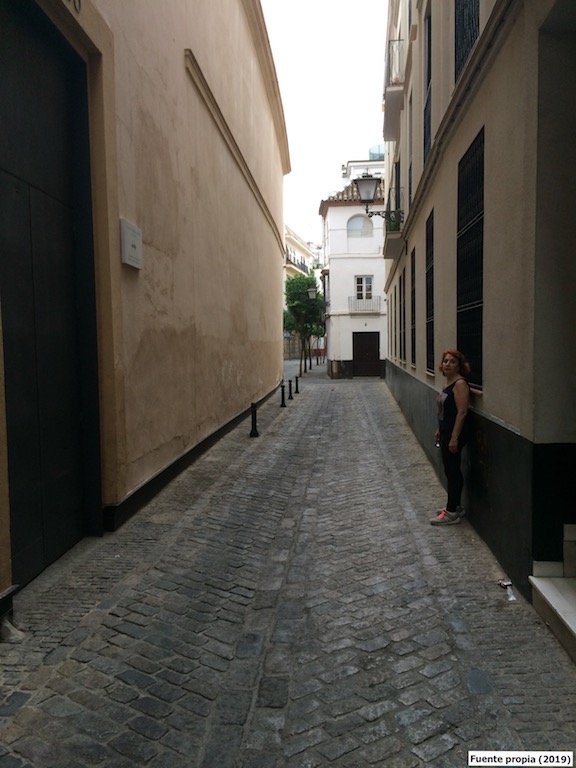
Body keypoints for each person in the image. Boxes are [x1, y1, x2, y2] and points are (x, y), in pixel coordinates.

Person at [430, 349, 471, 525]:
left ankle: (451, 512)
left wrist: (454, 437)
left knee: (452, 471)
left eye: (453, 362)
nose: (448, 364)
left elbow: (462, 412)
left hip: (455, 432)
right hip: (446, 430)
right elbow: (445, 410)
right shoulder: (449, 382)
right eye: (445, 361)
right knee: (450, 470)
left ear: (459, 366)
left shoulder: (460, 384)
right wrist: (440, 429)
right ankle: (455, 506)